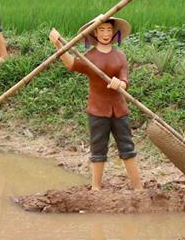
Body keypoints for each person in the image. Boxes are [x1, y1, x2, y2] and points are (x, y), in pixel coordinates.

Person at [49, 18, 143, 191]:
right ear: (94, 33)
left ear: (114, 33)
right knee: (98, 149)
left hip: (119, 110)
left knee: (127, 147)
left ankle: (138, 188)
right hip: (97, 110)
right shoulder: (89, 57)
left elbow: (124, 79)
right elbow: (71, 64)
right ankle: (96, 188)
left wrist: (120, 84)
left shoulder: (120, 56)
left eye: (108, 30)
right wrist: (58, 45)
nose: (105, 34)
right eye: (101, 30)